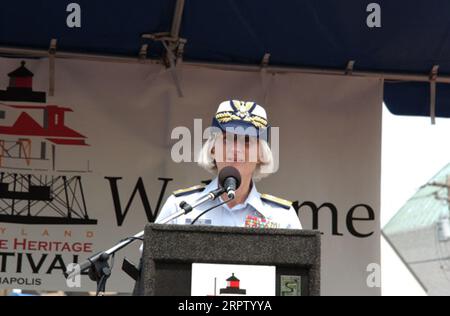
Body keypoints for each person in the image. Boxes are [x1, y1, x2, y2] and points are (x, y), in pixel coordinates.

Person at [155, 100, 302, 229]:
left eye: (246, 141)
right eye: (227, 140)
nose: (235, 149)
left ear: (260, 155)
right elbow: (149, 258)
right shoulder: (180, 206)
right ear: (212, 149)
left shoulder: (282, 217)